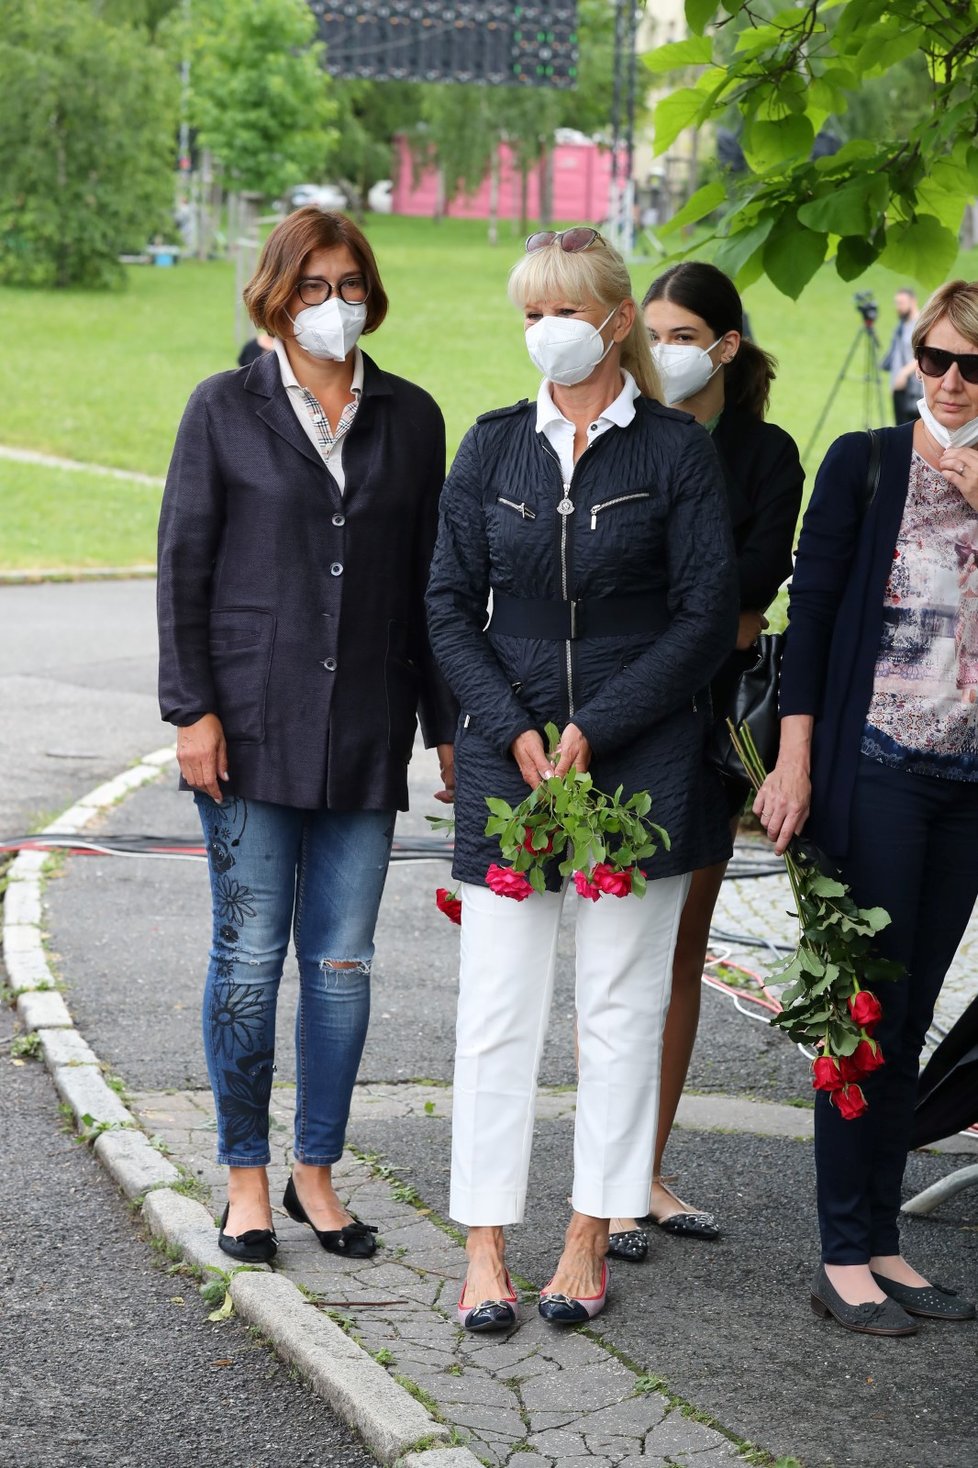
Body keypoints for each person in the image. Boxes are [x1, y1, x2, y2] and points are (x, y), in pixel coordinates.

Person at [425, 227, 738, 1329]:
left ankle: (589, 1235)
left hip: (638, 763)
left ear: (612, 318)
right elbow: (448, 606)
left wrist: (597, 727)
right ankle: (483, 1250)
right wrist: (509, 728)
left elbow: (705, 620)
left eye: (560, 309)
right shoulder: (492, 445)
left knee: (619, 1007)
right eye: (527, 312)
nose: (542, 332)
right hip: (510, 767)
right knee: (497, 1010)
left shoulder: (674, 453)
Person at [157, 207, 456, 1264]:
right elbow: (182, 567)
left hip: (367, 736)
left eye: (350, 282)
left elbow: (435, 590)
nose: (335, 303)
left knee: (341, 966)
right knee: (247, 962)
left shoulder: (414, 420)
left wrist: (448, 725)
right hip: (244, 731)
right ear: (275, 299)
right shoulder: (222, 411)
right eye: (314, 286)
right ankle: (244, 1175)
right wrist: (189, 709)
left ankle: (315, 1173)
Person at [755, 279, 978, 1335]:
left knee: (916, 1013)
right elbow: (813, 616)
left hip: (967, 787)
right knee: (863, 1014)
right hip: (876, 769)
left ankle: (884, 1236)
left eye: (973, 365)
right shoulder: (868, 461)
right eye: (934, 357)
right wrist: (793, 763)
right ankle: (843, 1252)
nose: (948, 380)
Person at [604, 262, 805, 1260]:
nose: (664, 348)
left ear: (724, 346)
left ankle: (644, 1167)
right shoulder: (622, 434)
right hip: (614, 715)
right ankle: (603, 1175)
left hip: (710, 723)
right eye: (656, 330)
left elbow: (748, 595)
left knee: (679, 949)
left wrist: (683, 609)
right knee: (616, 957)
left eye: (686, 333)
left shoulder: (767, 455)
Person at [881, 287, 924, 425]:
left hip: (917, 391)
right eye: (896, 303)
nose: (898, 307)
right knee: (900, 431)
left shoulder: (921, 325)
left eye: (901, 303)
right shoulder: (901, 326)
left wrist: (904, 373)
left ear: (913, 302)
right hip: (900, 389)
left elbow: (923, 353)